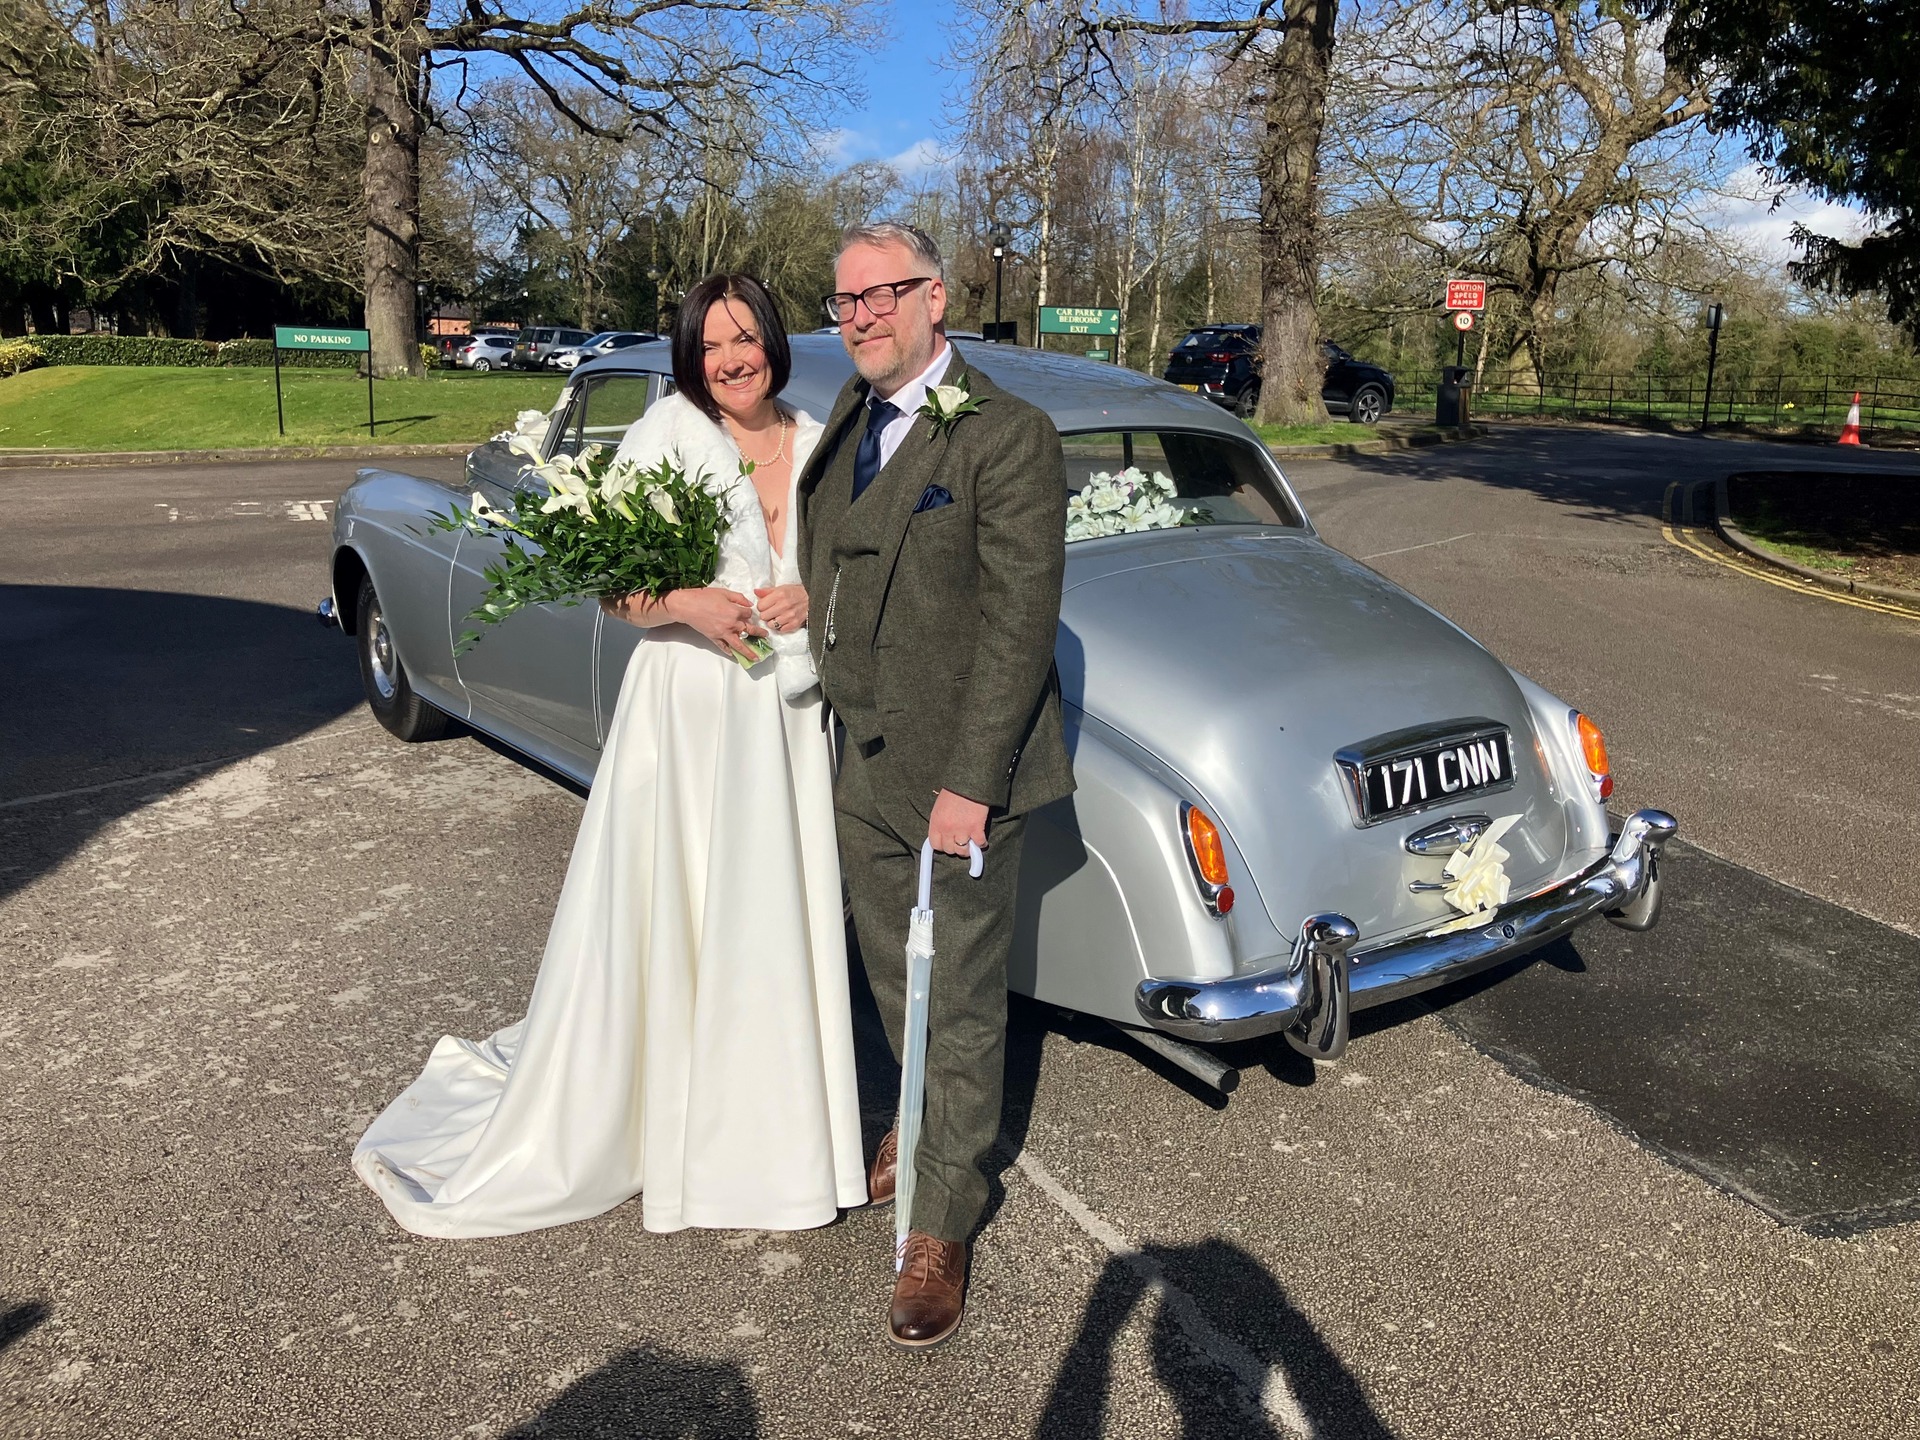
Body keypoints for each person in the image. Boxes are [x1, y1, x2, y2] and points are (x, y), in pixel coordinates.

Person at [352, 274, 867, 1238]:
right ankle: (673, 1114)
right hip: (689, 704)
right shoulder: (665, 433)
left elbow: (849, 567)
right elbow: (611, 587)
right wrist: (687, 603)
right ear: (689, 353)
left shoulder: (818, 432)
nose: (733, 358)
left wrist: (811, 598)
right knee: (676, 901)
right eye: (713, 344)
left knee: (771, 910)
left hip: (787, 715)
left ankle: (776, 1129)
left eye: (748, 336)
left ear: (774, 343)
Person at [796, 222, 1073, 1347]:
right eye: (844, 301)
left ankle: (941, 1220)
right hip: (860, 758)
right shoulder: (851, 417)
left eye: (881, 294)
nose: (860, 315)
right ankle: (920, 1131)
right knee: (890, 975)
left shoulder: (1007, 435)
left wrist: (974, 783)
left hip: (957, 780)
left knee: (955, 994)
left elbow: (1019, 625)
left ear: (936, 300)